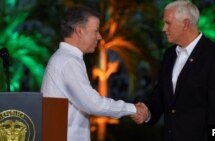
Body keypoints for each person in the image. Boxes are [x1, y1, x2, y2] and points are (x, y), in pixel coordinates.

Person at [131, 0, 215, 141]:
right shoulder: (169, 55)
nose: (163, 28)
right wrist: (147, 112)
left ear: (186, 24)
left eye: (168, 23)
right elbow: (162, 94)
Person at [41, 6, 147, 141]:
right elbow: (92, 103)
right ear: (79, 31)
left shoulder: (66, 58)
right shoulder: (68, 61)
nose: (99, 36)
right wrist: (132, 109)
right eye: (95, 31)